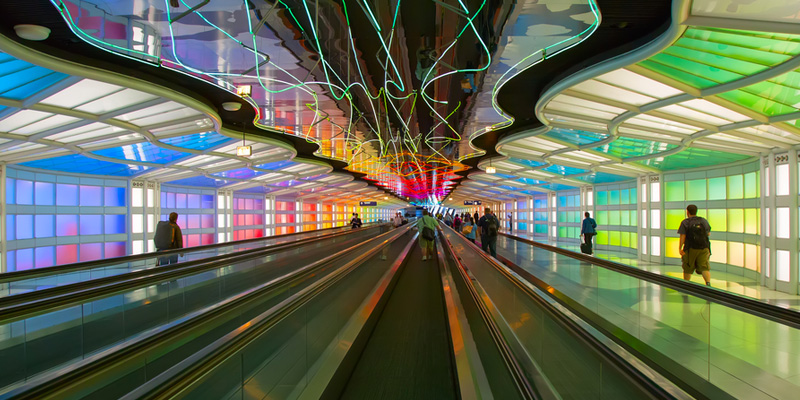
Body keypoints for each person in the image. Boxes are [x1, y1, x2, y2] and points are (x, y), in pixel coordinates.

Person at [678, 204, 712, 286]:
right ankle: (708, 283)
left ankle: (686, 285)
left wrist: (680, 248)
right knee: (704, 267)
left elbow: (683, 236)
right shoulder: (703, 221)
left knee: (688, 267)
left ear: (687, 212)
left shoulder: (685, 222)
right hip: (704, 248)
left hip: (690, 249)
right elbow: (708, 233)